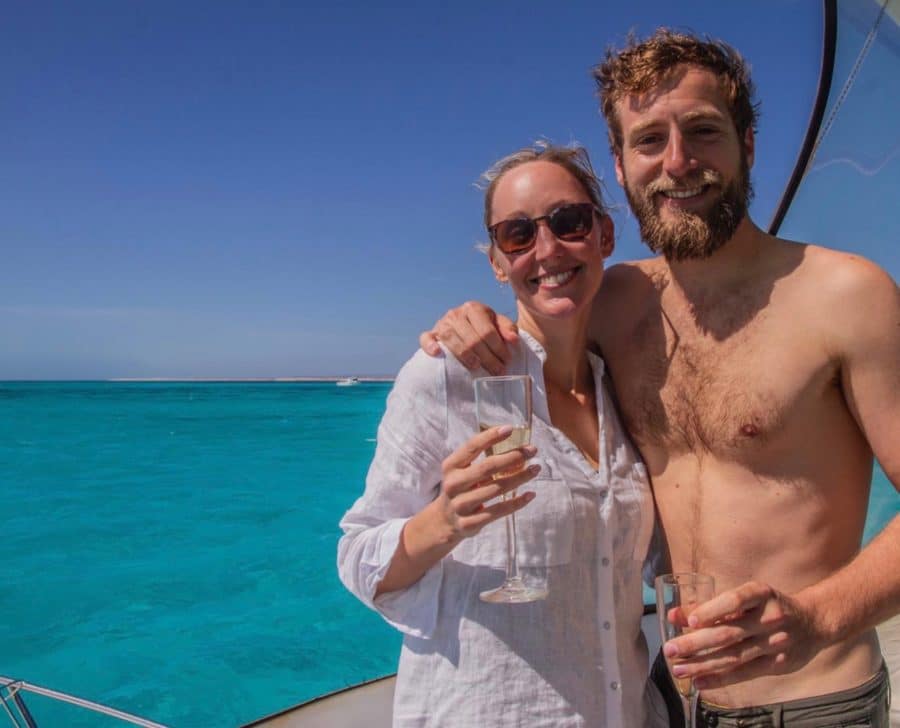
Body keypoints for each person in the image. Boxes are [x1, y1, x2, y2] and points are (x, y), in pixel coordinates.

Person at [420, 30, 899, 727]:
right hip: (670, 700)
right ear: (619, 165)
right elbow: (534, 346)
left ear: (749, 146)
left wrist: (816, 619)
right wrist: (467, 322)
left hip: (814, 701)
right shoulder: (613, 304)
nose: (678, 163)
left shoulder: (845, 295)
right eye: (649, 141)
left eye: (704, 132)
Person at [338, 144, 655, 726]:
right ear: (496, 261)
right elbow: (358, 557)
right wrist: (443, 522)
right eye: (518, 234)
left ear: (605, 235)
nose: (548, 249)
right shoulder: (448, 374)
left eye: (569, 222)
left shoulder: (626, 386)